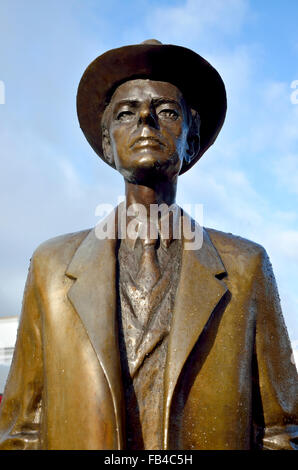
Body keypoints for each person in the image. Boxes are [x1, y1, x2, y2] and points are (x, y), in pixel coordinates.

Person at [0, 40, 297, 450]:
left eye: (167, 111)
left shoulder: (245, 267)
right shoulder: (51, 267)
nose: (145, 119)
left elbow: (281, 432)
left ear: (190, 142)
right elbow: (21, 432)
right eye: (126, 113)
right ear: (107, 144)